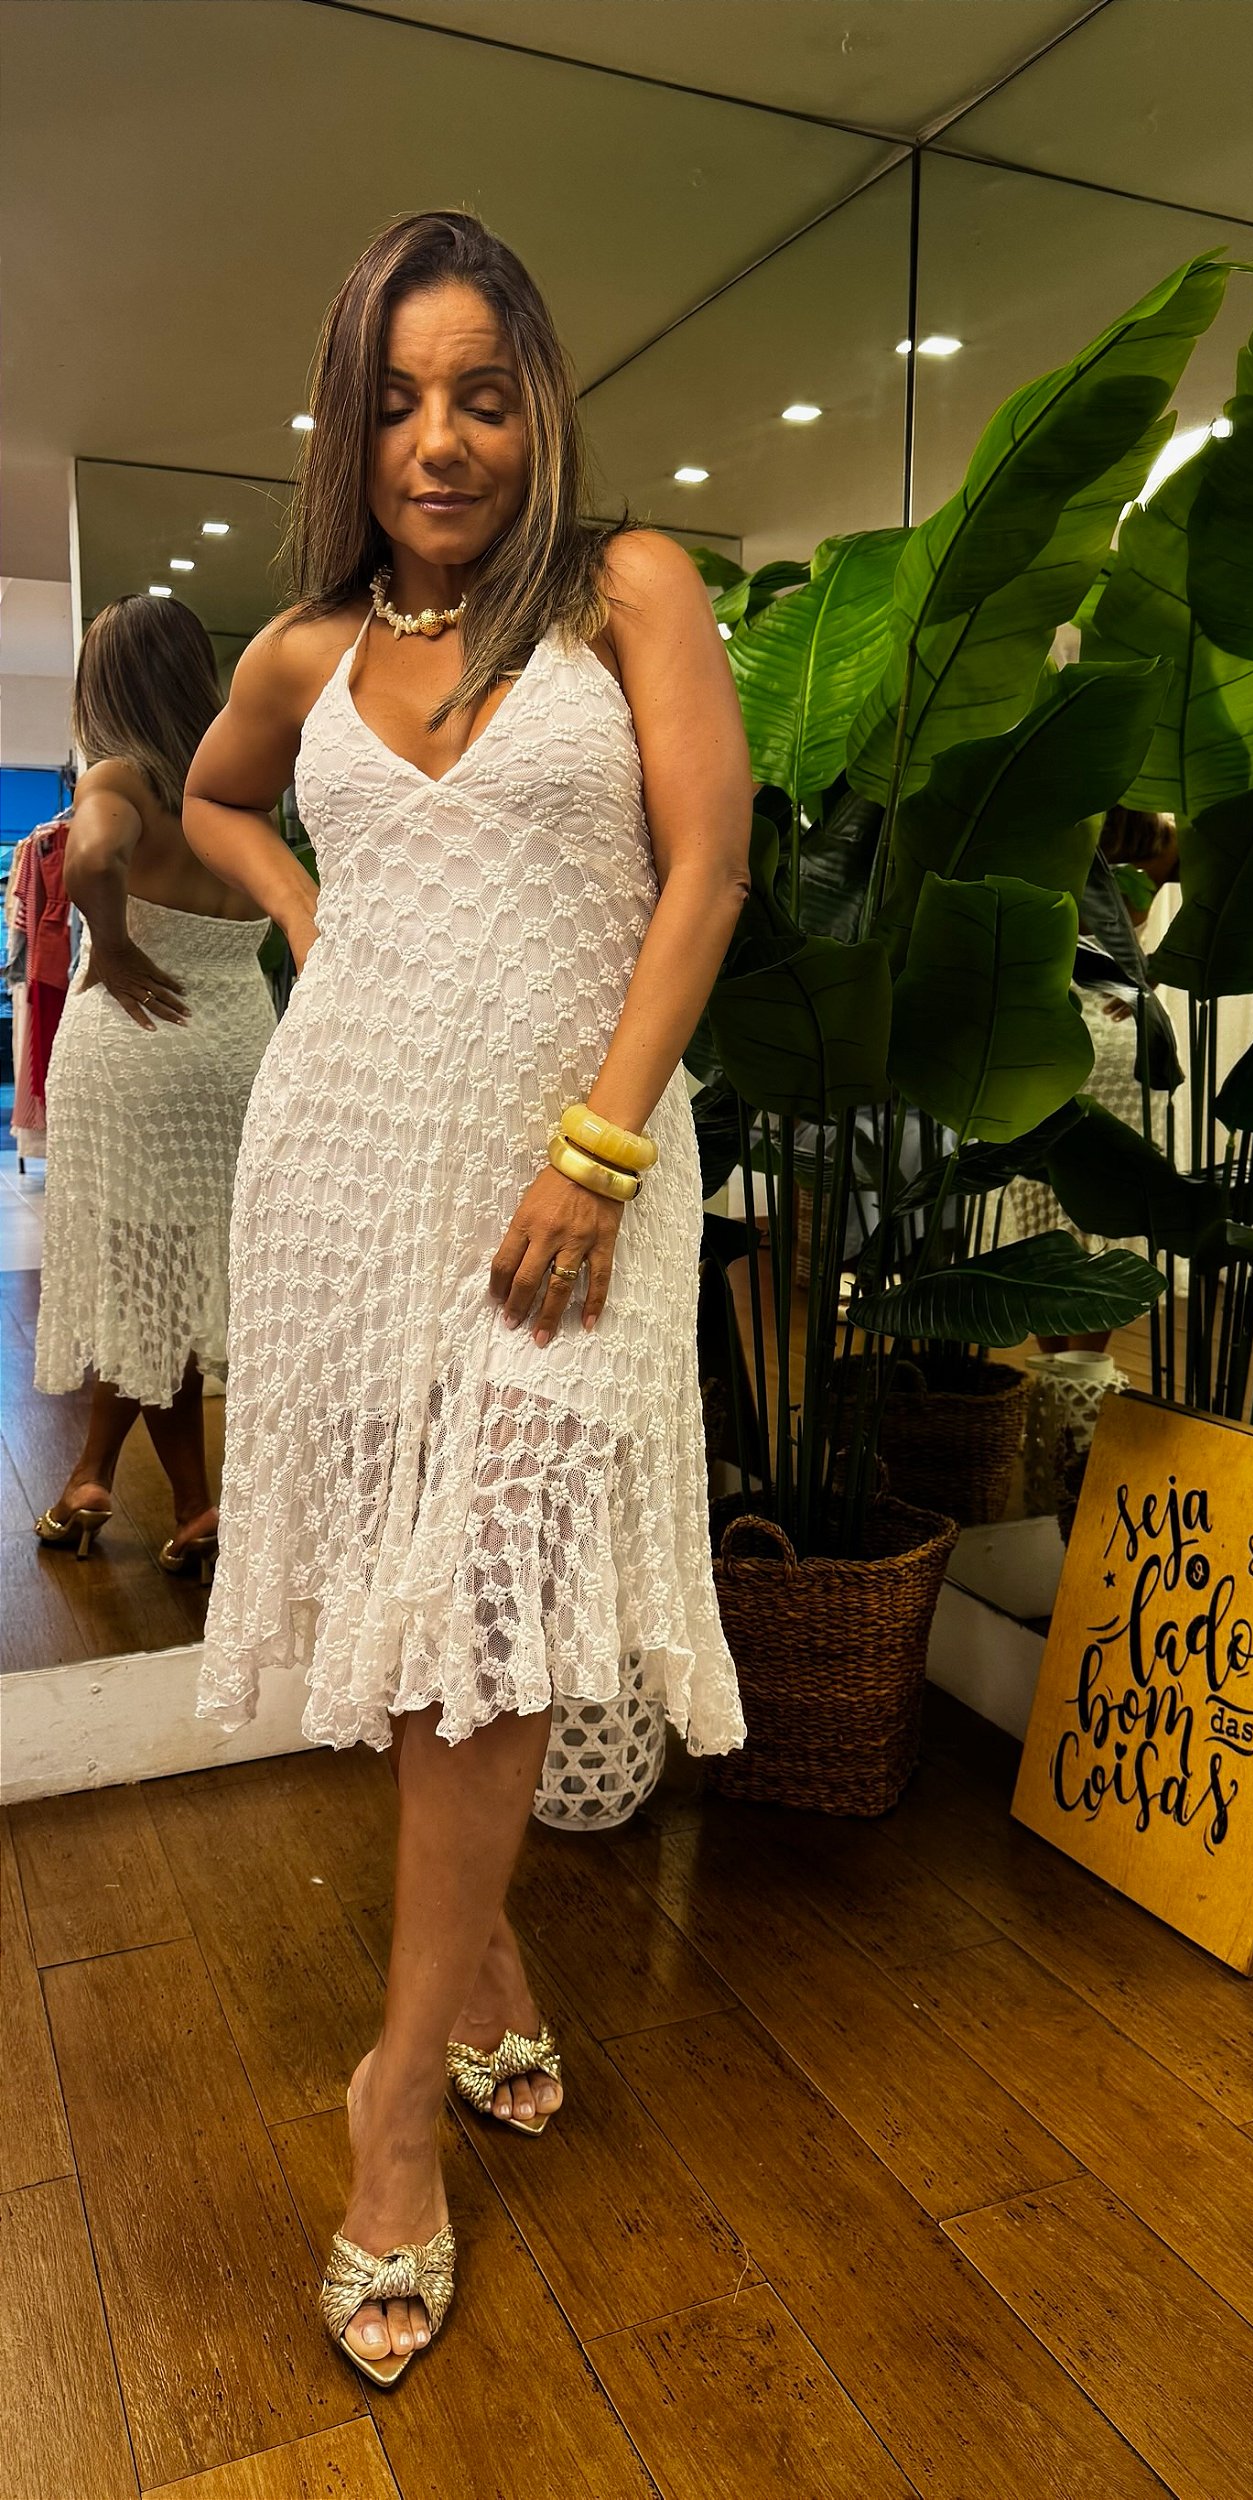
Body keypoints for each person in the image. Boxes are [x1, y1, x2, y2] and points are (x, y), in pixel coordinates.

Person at [181, 209, 753, 2384]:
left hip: (574, 1183)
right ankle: (486, 1960)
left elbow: (705, 867)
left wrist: (596, 1151)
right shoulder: (305, 649)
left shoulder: (629, 592)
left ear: (540, 407)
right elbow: (209, 798)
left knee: (495, 1586)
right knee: (424, 1605)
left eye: (482, 396)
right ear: (350, 425)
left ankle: (394, 2099)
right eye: (398, 400)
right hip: (346, 1171)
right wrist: (301, 906)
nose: (440, 438)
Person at [32, 595, 275, 1575]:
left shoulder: (117, 775)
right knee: (166, 1276)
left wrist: (115, 946)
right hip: (237, 1046)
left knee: (147, 1277)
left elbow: (93, 855)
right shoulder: (240, 788)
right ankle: (124, 1486)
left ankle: (152, 1492)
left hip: (138, 1045)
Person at [1003, 804, 1180, 1354]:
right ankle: (1080, 1372)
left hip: (1048, 1030)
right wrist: (1153, 970)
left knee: (1044, 1196)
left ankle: (1058, 1375)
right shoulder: (1167, 840)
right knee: (1109, 1198)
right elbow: (1228, 913)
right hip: (1117, 1029)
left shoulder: (1049, 829)